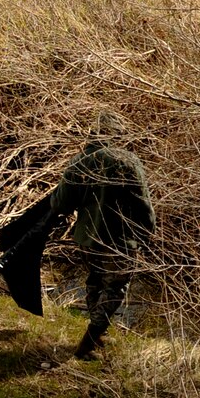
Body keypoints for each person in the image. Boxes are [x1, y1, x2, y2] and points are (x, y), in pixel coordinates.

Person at [49, 111, 156, 361]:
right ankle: (87, 344)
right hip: (119, 241)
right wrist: (147, 233)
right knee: (116, 289)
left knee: (95, 282)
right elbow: (143, 203)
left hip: (87, 238)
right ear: (118, 134)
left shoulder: (80, 162)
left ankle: (96, 334)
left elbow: (60, 204)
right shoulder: (128, 161)